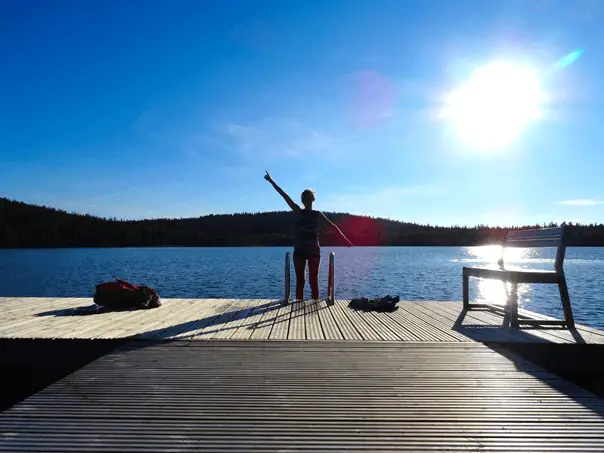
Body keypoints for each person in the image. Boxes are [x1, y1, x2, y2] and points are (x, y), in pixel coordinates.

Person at [264, 171, 353, 301]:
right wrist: (271, 181)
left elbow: (333, 226)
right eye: (305, 199)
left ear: (312, 200)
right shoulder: (300, 212)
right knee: (304, 282)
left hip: (311, 251)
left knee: (311, 282)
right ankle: (303, 303)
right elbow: (285, 196)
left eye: (308, 199)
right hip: (301, 251)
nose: (307, 201)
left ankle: (312, 304)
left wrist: (346, 241)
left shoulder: (316, 214)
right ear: (304, 200)